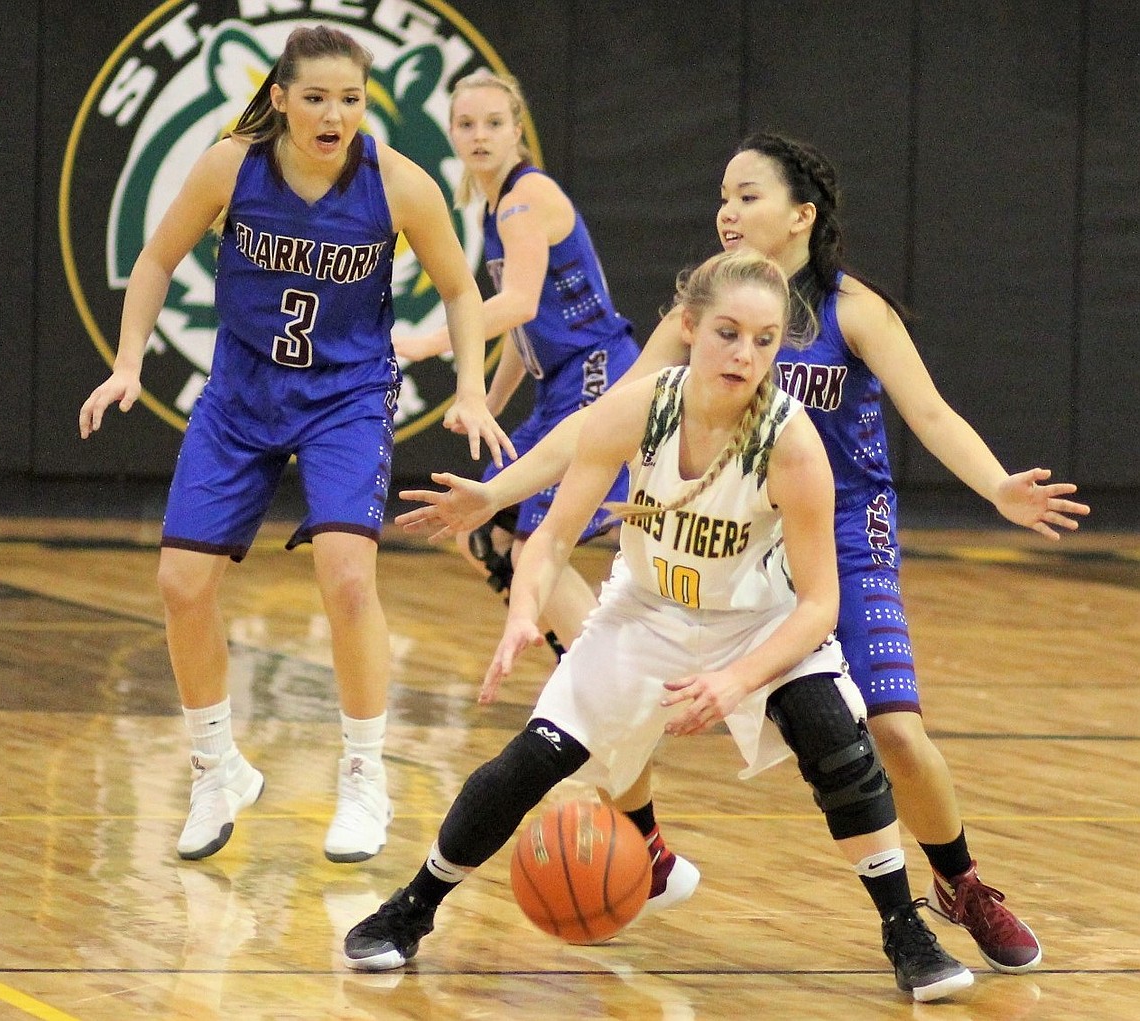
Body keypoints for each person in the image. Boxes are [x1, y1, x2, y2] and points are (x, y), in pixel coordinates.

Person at [393, 132, 1091, 973]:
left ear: (802, 215)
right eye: (723, 194)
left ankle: (960, 883)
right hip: (727, 535)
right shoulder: (704, 314)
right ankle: (643, 847)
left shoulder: (852, 309)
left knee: (893, 732)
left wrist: (997, 488)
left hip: (836, 534)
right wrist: (498, 494)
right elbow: (602, 421)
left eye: (749, 194)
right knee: (617, 697)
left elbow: (932, 415)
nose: (727, 210)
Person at [344, 248, 976, 1003]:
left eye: (766, 339)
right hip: (645, 613)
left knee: (836, 739)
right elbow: (550, 538)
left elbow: (818, 607)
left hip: (758, 621)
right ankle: (411, 907)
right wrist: (521, 612)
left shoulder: (793, 442)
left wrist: (737, 679)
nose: (746, 354)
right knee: (530, 761)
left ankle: (906, 927)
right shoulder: (640, 407)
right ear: (689, 326)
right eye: (729, 333)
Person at [78, 26, 512, 865]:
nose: (334, 114)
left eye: (350, 99)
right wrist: (129, 360)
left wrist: (466, 386)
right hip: (241, 394)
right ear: (279, 99)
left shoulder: (396, 183)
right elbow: (159, 257)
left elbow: (460, 289)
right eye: (316, 97)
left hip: (346, 397)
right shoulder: (230, 165)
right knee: (179, 582)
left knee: (348, 575)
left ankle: (362, 772)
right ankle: (216, 766)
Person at [394, 70, 698, 908]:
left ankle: (597, 666)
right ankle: (581, 647)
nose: (480, 134)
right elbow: (525, 336)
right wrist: (484, 408)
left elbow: (517, 300)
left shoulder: (527, 199)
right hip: (557, 379)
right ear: (452, 135)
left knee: (532, 538)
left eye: (494, 121)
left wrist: (426, 343)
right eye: (466, 123)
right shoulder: (498, 210)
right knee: (475, 523)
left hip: (599, 376)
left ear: (517, 129)